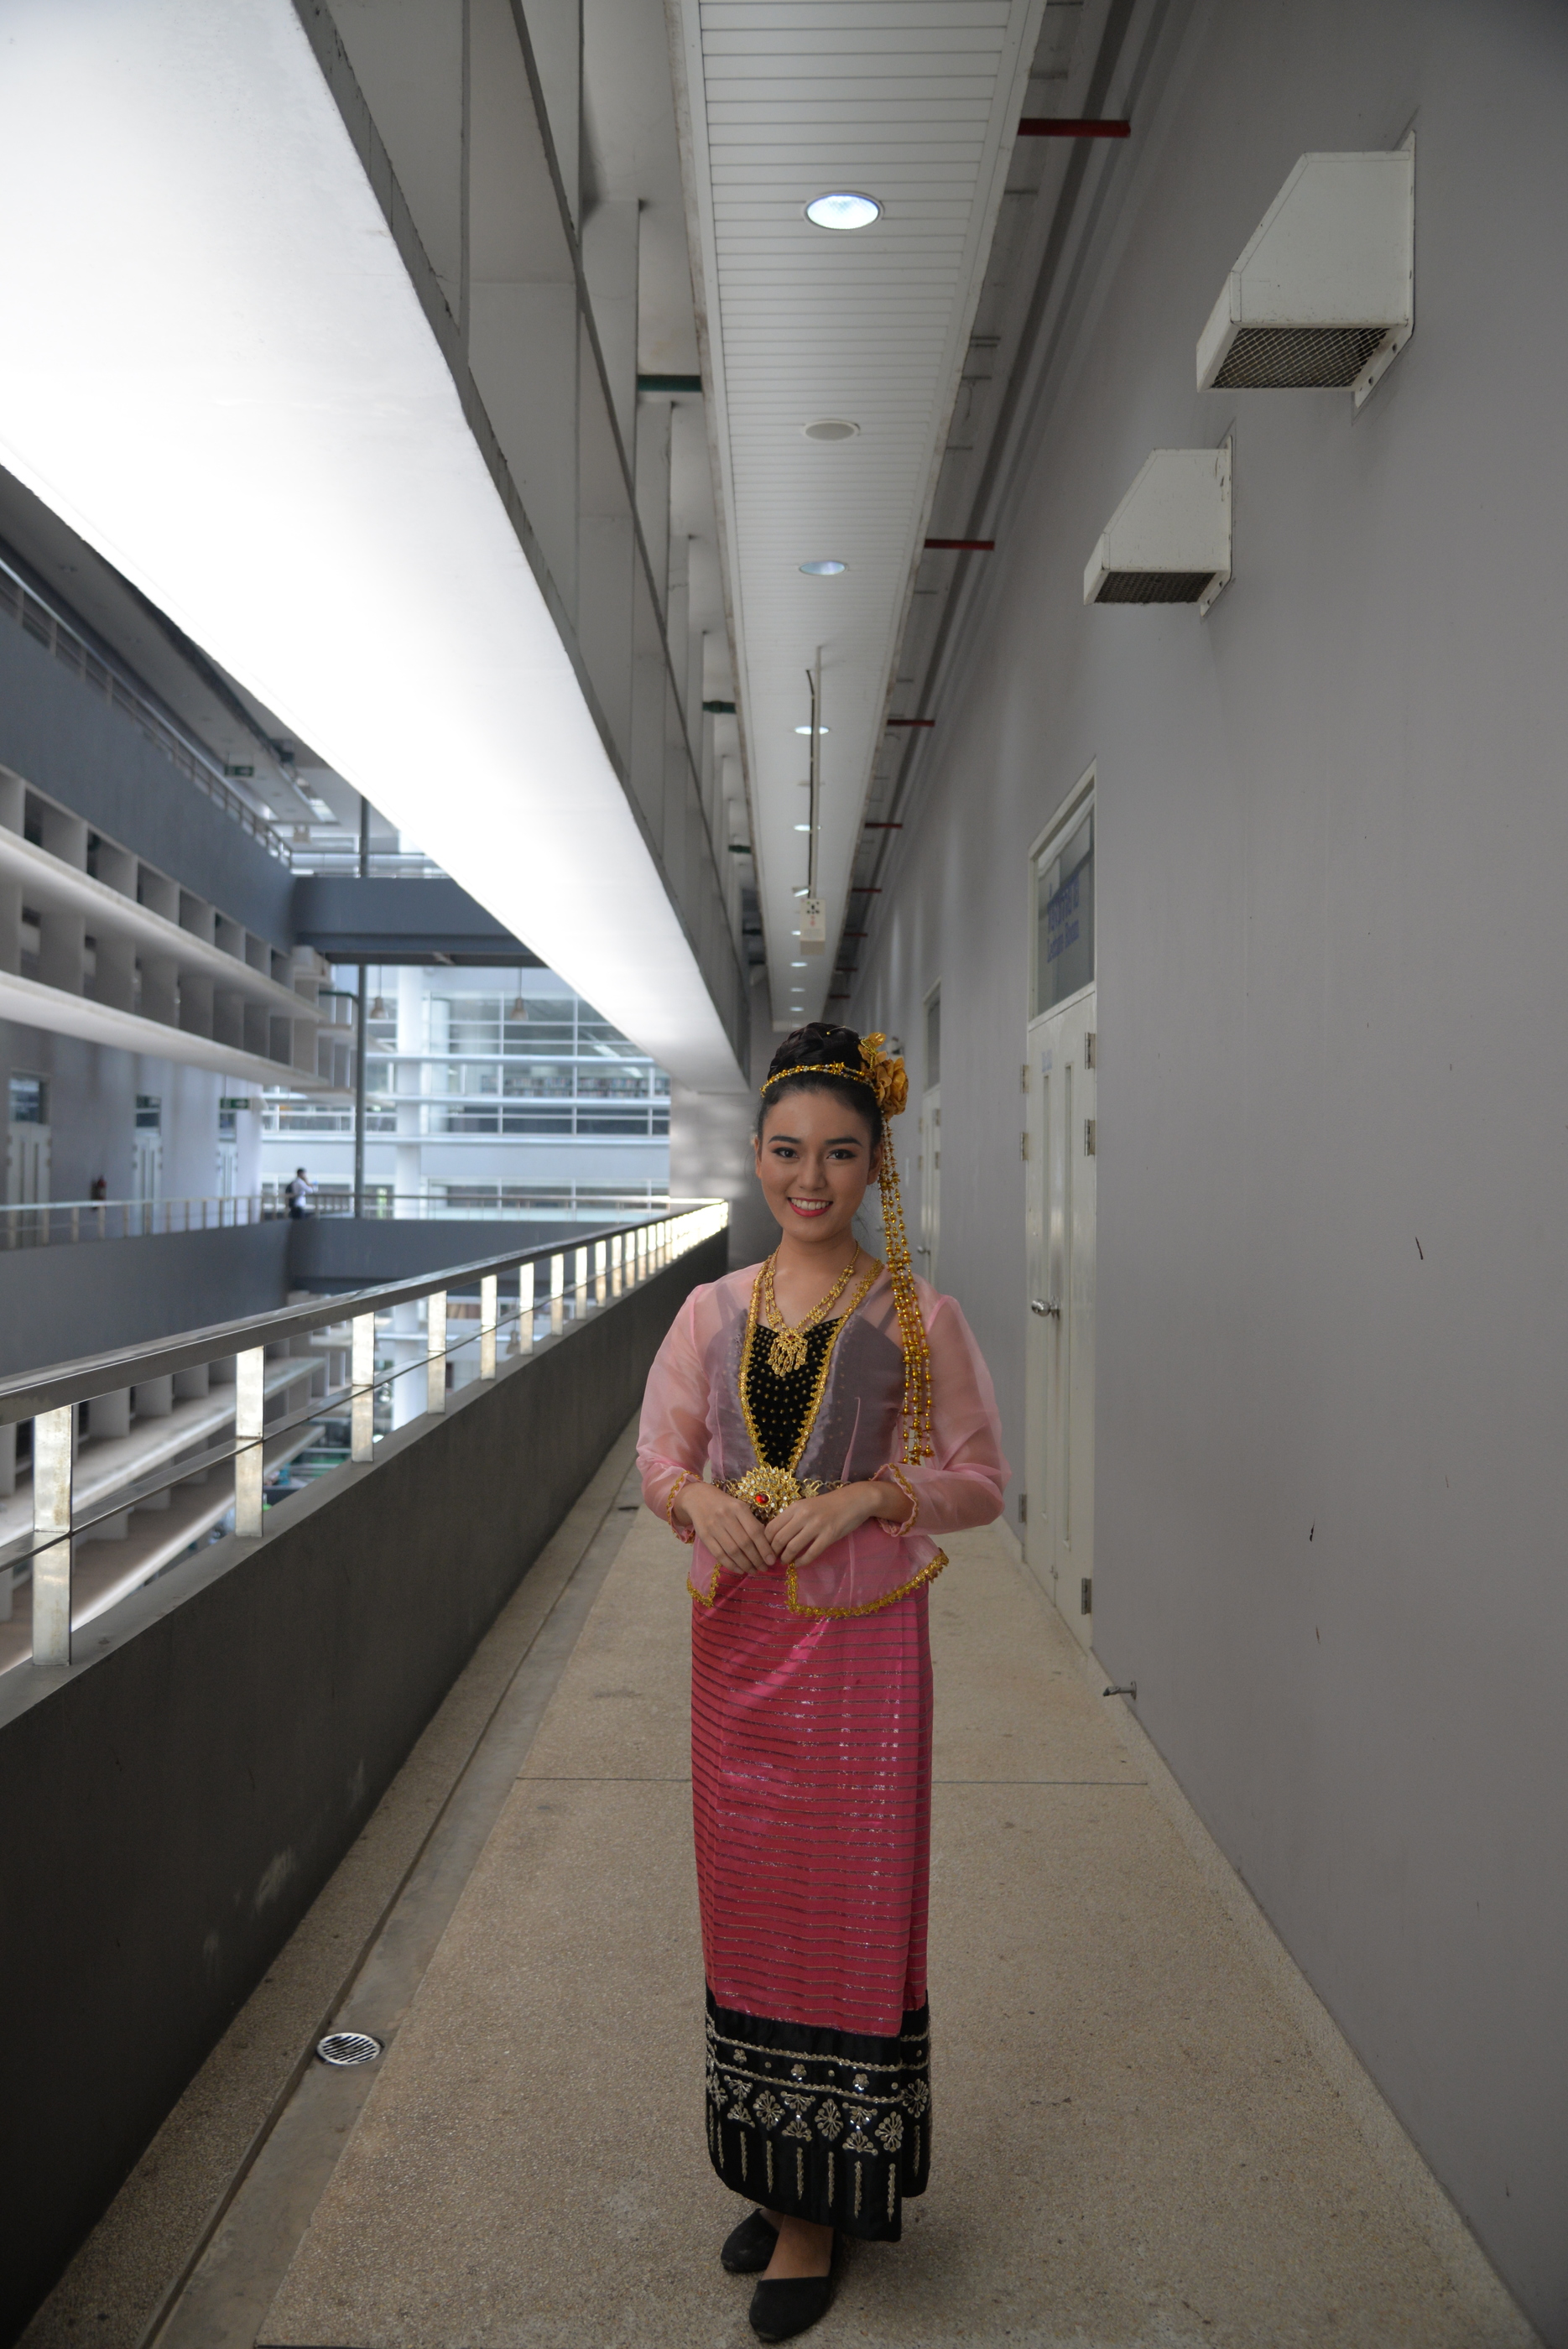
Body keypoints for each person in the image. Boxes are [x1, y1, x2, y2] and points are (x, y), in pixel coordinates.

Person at [638, 1023, 1008, 2342]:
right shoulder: (709, 1309)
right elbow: (659, 1457)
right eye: (788, 1151)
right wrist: (695, 1502)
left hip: (861, 1660)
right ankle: (775, 2168)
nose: (810, 1179)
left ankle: (815, 2210)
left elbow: (979, 1480)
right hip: (735, 1651)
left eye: (839, 1154)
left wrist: (867, 1497)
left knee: (842, 1908)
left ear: (873, 1166)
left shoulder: (919, 1317)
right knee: (749, 1907)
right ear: (756, 1157)